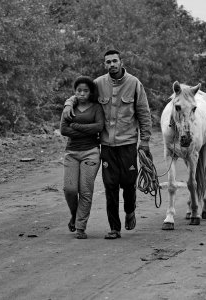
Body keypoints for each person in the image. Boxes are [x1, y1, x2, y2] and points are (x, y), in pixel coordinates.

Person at [62, 49, 152, 239]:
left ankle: (130, 210)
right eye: (108, 62)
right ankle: (114, 228)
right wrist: (69, 103)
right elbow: (80, 93)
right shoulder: (98, 84)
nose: (111, 65)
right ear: (105, 65)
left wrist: (145, 141)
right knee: (110, 186)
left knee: (128, 183)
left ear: (121, 62)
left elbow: (144, 113)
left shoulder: (134, 83)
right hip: (106, 145)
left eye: (114, 61)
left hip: (128, 143)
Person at [60, 76, 104, 239]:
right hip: (71, 153)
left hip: (91, 152)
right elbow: (63, 129)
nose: (82, 93)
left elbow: (99, 127)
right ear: (75, 92)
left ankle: (80, 227)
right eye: (79, 90)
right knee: (70, 189)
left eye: (85, 91)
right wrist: (87, 129)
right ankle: (74, 215)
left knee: (86, 191)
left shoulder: (96, 108)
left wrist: (77, 126)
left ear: (91, 92)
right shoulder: (69, 108)